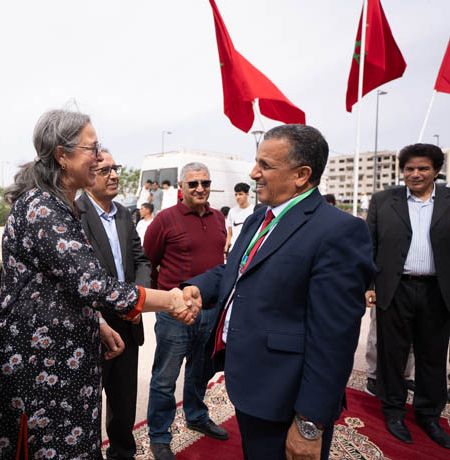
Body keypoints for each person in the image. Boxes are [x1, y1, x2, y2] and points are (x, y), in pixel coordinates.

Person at [0, 109, 199, 460]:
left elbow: (60, 285)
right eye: (92, 148)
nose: (99, 158)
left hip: (64, 364)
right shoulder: (43, 208)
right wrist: (171, 300)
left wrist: (97, 323)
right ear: (62, 155)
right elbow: (94, 284)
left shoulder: (60, 205)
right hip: (40, 369)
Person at [182, 124, 375, 460]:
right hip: (251, 385)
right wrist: (198, 287)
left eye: (266, 166)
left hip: (286, 395)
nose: (253, 173)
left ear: (301, 175)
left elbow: (334, 340)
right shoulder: (260, 218)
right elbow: (236, 270)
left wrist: (309, 423)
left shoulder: (339, 231)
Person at [364, 143, 450, 448]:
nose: (415, 174)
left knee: (433, 356)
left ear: (436, 171)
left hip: (438, 291)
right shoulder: (383, 201)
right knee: (392, 354)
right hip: (394, 289)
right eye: (409, 168)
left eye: (423, 168)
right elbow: (369, 246)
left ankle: (428, 415)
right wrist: (369, 285)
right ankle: (394, 411)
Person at [143, 162, 228, 460]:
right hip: (175, 315)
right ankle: (159, 435)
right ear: (181, 187)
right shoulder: (165, 219)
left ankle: (196, 415)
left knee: (200, 371)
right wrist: (165, 301)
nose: (200, 188)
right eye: (193, 183)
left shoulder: (218, 218)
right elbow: (148, 262)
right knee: (165, 378)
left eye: (205, 182)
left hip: (210, 312)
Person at [76, 148, 151, 460]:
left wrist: (138, 301)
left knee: (124, 403)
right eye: (105, 170)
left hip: (129, 323)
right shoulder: (74, 213)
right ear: (89, 174)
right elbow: (76, 278)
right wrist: (101, 319)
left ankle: (122, 454)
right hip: (94, 327)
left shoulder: (123, 214)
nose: (114, 175)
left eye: (115, 168)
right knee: (86, 408)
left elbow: (141, 261)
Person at [224, 182, 255, 254]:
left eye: (240, 194)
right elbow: (230, 233)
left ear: (247, 195)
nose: (238, 197)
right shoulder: (232, 211)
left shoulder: (253, 210)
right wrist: (225, 250)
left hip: (247, 251)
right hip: (233, 250)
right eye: (236, 194)